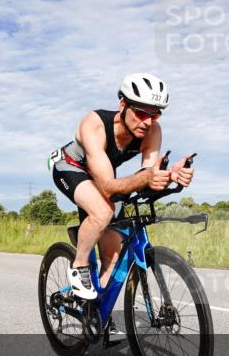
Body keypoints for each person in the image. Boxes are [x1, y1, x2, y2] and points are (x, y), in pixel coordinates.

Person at [49, 73, 194, 301]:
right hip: (72, 166)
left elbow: (146, 175)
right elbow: (107, 188)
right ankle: (79, 265)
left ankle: (98, 316)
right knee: (102, 211)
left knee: (113, 256)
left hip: (104, 172)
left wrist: (169, 176)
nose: (148, 122)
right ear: (123, 105)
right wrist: (147, 177)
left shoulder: (152, 130)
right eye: (141, 113)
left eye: (154, 115)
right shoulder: (95, 124)